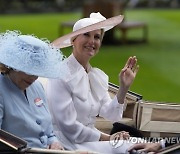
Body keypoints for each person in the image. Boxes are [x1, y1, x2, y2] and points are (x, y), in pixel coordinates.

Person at [46, 12, 139, 153]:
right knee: (130, 148)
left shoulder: (95, 76)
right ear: (73, 40)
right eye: (86, 35)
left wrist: (123, 88)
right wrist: (109, 138)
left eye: (97, 37)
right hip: (68, 143)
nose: (92, 41)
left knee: (140, 144)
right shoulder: (60, 74)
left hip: (92, 139)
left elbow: (111, 115)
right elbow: (69, 126)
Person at [0, 30, 66, 150]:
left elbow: (49, 132)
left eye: (38, 71)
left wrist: (54, 142)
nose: (34, 77)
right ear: (14, 65)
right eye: (29, 70)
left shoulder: (37, 87)